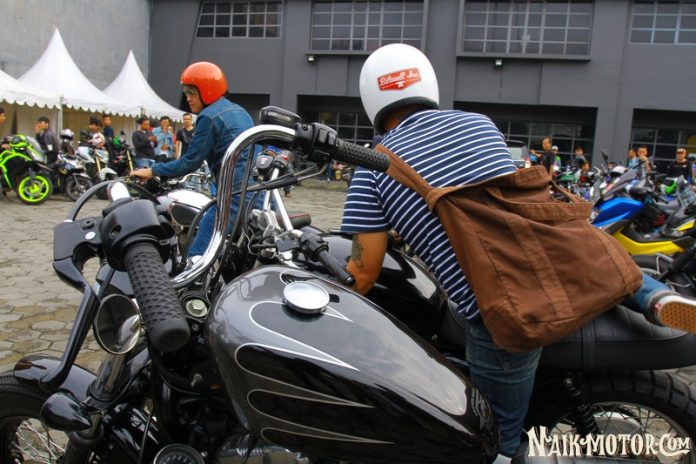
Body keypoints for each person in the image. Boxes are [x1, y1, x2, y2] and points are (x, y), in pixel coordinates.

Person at [340, 43, 696, 461]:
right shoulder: (478, 123)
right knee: (602, 263)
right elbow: (486, 200)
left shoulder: (373, 165)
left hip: (506, 303)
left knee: (496, 444)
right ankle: (655, 298)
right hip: (552, 252)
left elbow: (365, 272)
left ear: (371, 99)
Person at [130, 61, 258, 257]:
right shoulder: (240, 111)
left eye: (191, 92)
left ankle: (193, 274)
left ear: (207, 90)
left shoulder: (208, 117)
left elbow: (190, 161)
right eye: (186, 93)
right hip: (258, 192)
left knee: (197, 254)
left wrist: (152, 170)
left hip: (234, 197)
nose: (188, 98)